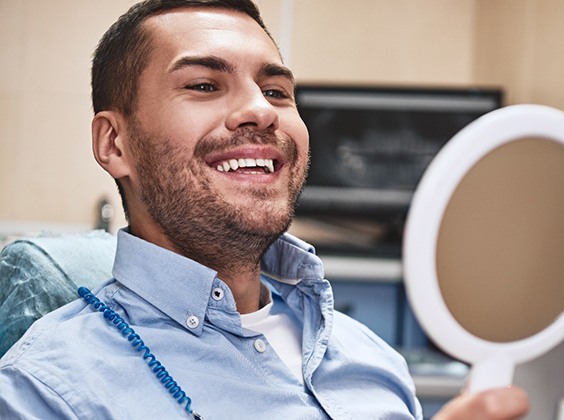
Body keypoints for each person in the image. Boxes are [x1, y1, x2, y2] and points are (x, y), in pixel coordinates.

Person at [0, 0, 529, 418]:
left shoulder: (374, 360)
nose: (259, 108)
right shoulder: (46, 393)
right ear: (114, 143)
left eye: (276, 90)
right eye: (205, 85)